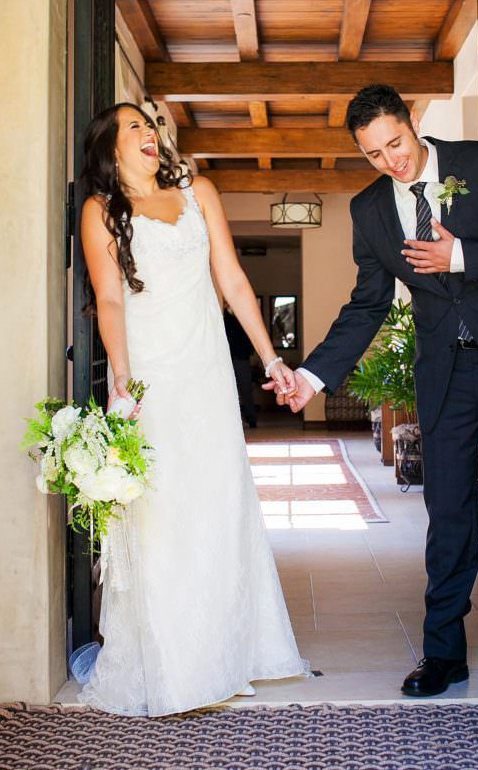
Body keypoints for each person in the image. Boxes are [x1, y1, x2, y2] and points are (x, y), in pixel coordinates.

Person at [269, 84, 478, 714]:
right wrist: (314, 377)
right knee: (449, 516)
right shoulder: (369, 210)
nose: (392, 162)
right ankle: (444, 654)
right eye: (374, 154)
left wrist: (460, 253)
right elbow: (367, 305)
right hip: (445, 377)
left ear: (413, 123)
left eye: (396, 144)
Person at [77, 102, 308, 717]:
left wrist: (272, 360)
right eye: (134, 128)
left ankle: (228, 652)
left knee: (217, 502)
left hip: (205, 374)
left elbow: (232, 280)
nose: (149, 135)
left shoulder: (198, 190)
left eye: (150, 126)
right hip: (151, 378)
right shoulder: (100, 211)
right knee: (161, 513)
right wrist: (123, 383)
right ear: (111, 149)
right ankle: (176, 663)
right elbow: (108, 298)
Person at [224, 305, 258, 428]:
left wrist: (248, 352)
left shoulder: (243, 315)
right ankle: (233, 422)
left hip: (242, 358)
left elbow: (250, 336)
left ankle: (251, 419)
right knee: (229, 391)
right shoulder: (223, 317)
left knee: (246, 389)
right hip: (227, 359)